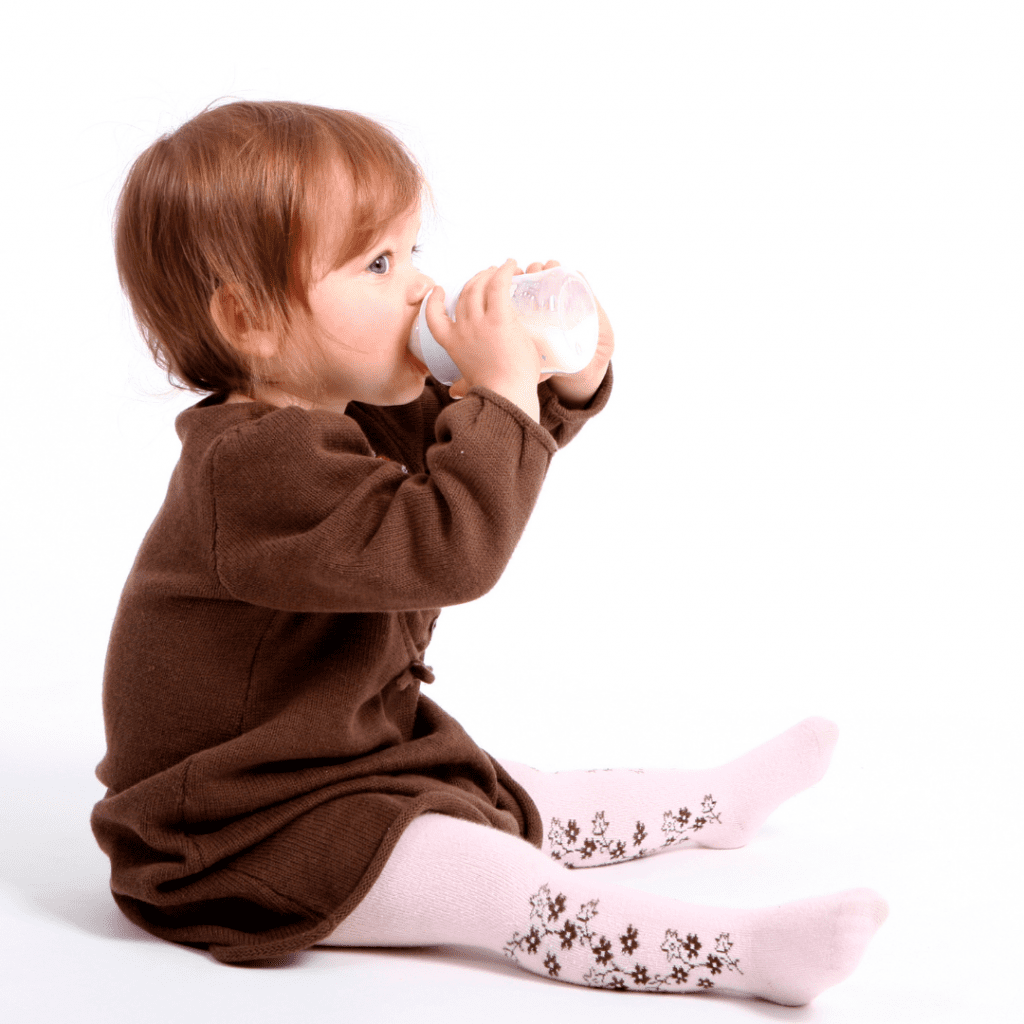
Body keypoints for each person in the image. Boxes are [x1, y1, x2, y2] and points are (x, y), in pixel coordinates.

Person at [91, 99, 887, 1005]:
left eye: (416, 251)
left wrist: (557, 375)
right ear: (250, 320)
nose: (422, 289)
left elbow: (473, 462)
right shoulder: (254, 466)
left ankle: (713, 805)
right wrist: (501, 388)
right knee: (497, 879)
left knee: (513, 792)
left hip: (344, 763)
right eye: (380, 264)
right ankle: (741, 954)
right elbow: (451, 546)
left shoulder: (345, 415)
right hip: (240, 829)